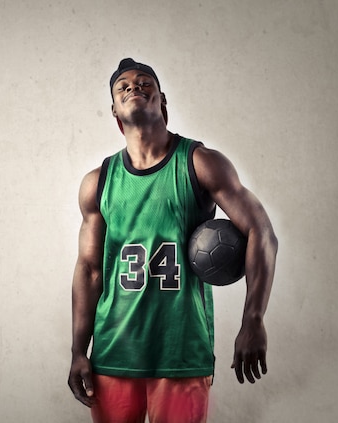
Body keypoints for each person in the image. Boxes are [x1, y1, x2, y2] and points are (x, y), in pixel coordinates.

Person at [67, 58, 278, 423]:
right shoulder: (97, 183)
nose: (134, 87)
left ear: (162, 101)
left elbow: (262, 230)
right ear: (115, 112)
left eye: (145, 82)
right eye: (124, 87)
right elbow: (89, 270)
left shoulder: (200, 163)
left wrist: (254, 318)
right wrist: (77, 350)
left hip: (181, 352)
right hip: (113, 353)